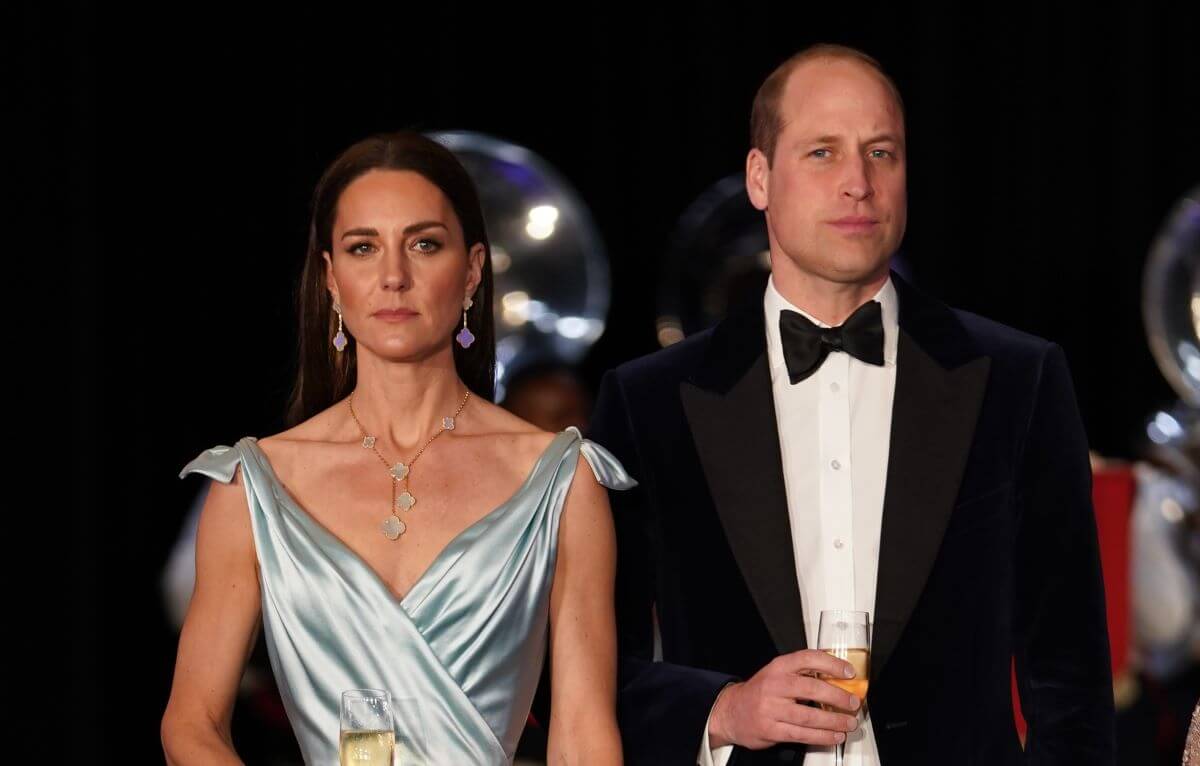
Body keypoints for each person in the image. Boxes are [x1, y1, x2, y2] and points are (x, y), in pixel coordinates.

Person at [589, 44, 1115, 765]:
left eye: (880, 152)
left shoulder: (1018, 379)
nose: (858, 184)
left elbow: (1071, 677)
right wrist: (722, 708)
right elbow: (585, 673)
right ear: (759, 178)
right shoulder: (649, 401)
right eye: (822, 154)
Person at [160, 132, 632, 765]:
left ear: (471, 271)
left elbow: (583, 737)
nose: (393, 276)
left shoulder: (561, 480)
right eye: (363, 248)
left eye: (424, 244)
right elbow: (192, 725)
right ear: (330, 278)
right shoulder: (256, 485)